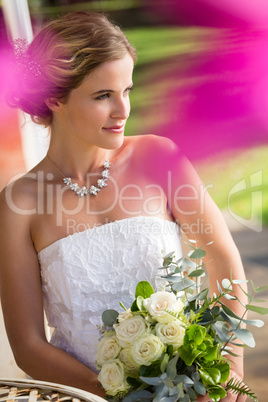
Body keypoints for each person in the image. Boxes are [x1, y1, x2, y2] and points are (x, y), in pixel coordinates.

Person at [0, 11, 247, 401]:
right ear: (54, 97)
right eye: (103, 96)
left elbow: (224, 263)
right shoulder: (19, 204)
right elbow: (28, 347)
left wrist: (226, 370)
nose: (123, 110)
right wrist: (131, 393)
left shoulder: (158, 156)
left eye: (127, 90)